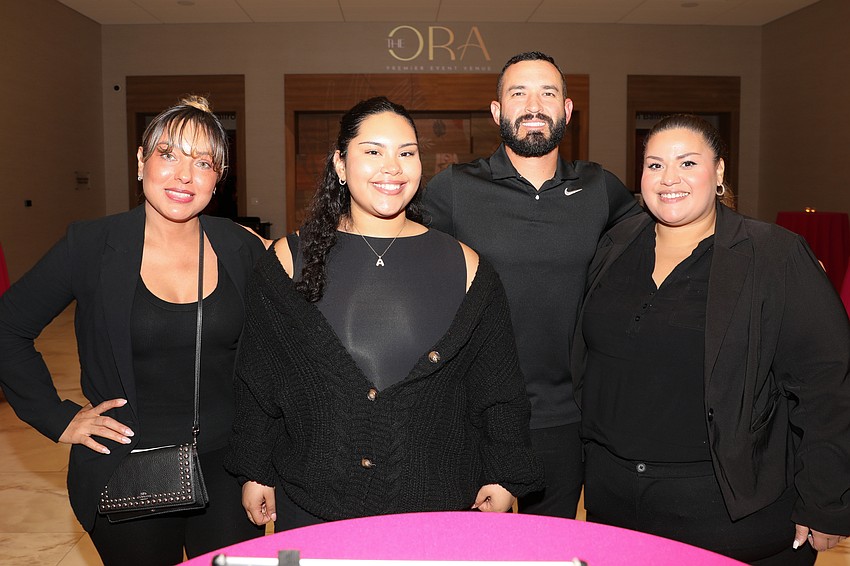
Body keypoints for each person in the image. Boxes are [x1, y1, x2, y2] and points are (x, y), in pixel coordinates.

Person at [225, 97, 543, 531]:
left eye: (406, 153)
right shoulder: (286, 261)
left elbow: (498, 387)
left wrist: (505, 472)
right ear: (340, 163)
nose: (392, 168)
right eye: (373, 151)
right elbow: (258, 378)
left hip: (435, 504)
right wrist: (255, 468)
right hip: (314, 499)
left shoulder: (468, 266)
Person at [0, 96, 267, 565]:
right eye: (168, 154)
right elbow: (8, 326)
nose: (184, 175)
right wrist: (57, 417)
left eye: (203, 162)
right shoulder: (91, 244)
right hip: (129, 467)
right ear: (141, 162)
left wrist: (263, 464)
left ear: (217, 179)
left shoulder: (240, 248)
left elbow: (275, 359)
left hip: (231, 470)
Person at [573, 114, 850, 564]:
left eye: (687, 163)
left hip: (728, 513)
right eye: (655, 165)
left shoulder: (774, 256)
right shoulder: (616, 245)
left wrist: (827, 499)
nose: (669, 179)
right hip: (615, 505)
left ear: (719, 171)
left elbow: (828, 386)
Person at [422, 51, 641, 518]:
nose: (534, 104)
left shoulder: (600, 188)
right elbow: (392, 244)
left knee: (551, 549)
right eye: (518, 93)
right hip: (472, 414)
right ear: (498, 112)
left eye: (548, 93)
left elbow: (666, 237)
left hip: (565, 418)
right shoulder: (456, 188)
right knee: (470, 551)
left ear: (567, 109)